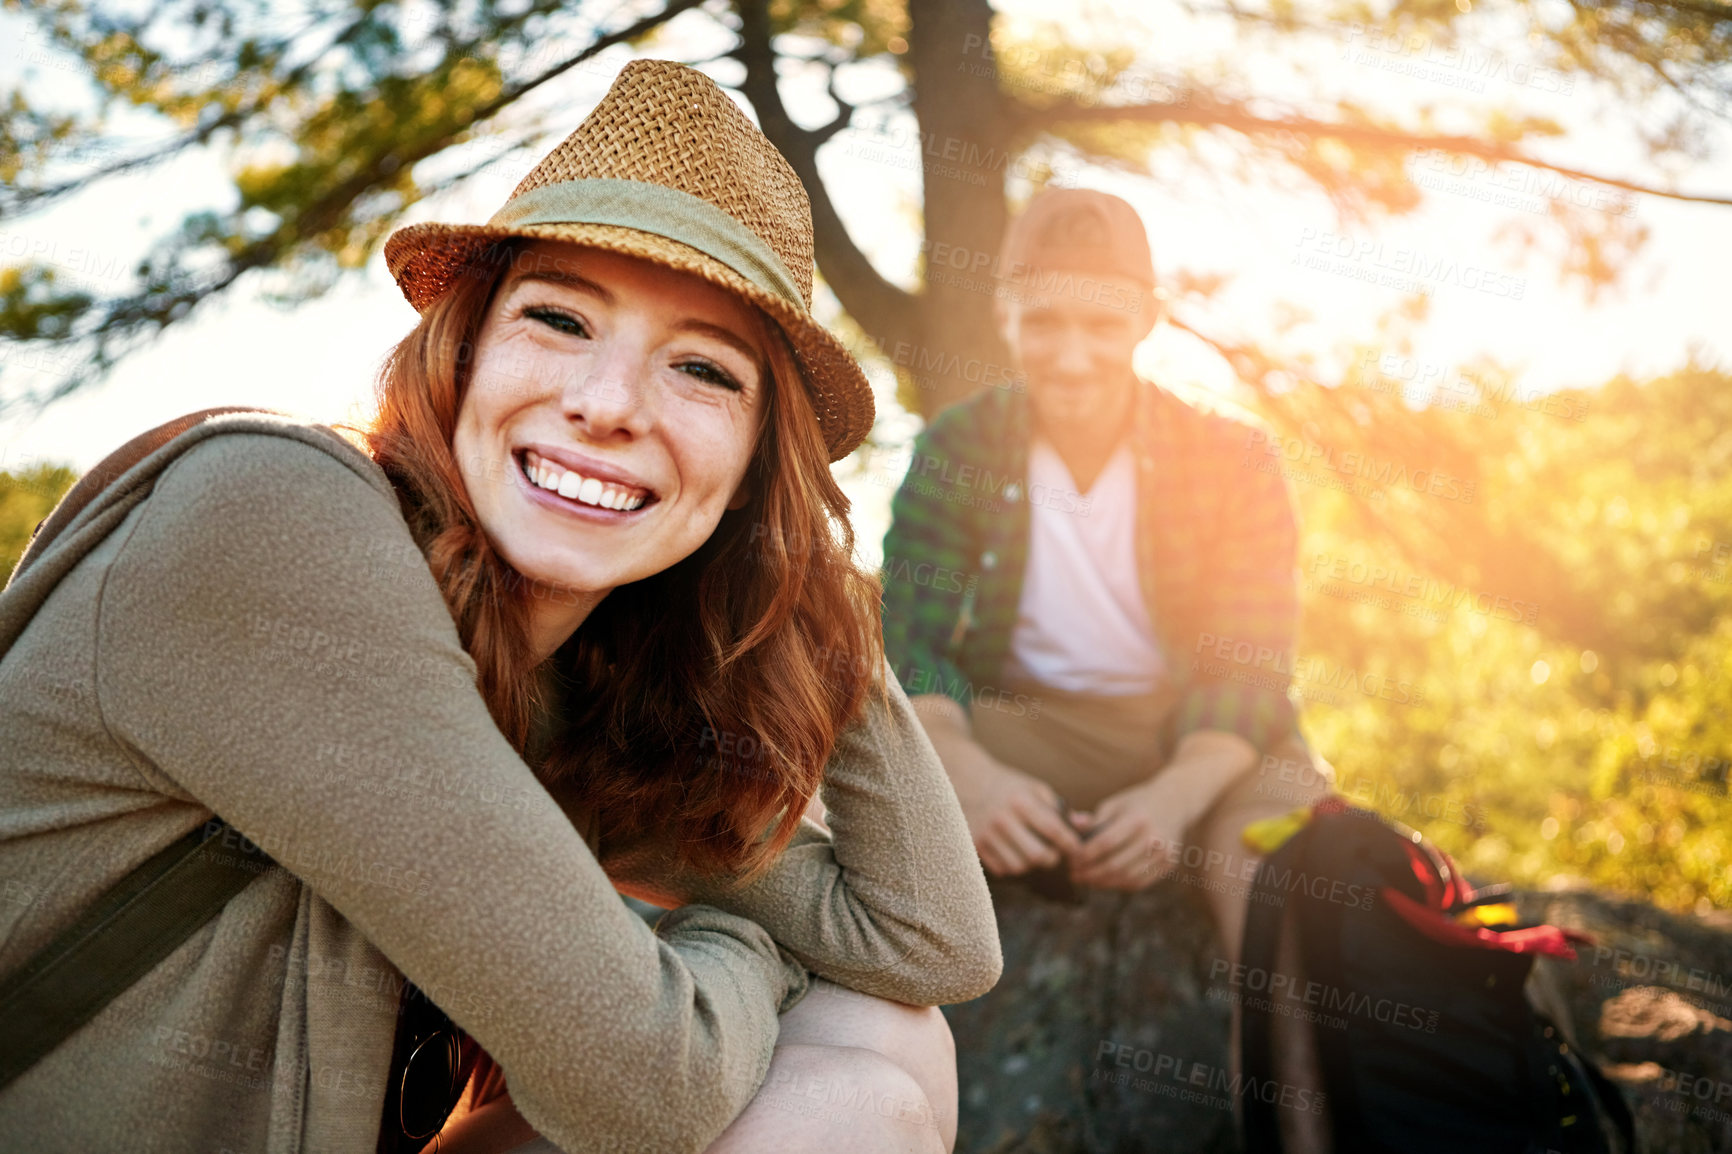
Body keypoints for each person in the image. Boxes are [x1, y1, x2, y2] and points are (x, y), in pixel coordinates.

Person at [0, 60, 999, 1154]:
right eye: (561, 319)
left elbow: (927, 941)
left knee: (882, 1032)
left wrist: (811, 589)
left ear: (758, 461)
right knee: (843, 1092)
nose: (606, 403)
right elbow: (646, 1090)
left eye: (704, 372)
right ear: (462, 353)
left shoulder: (564, 699)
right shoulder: (267, 518)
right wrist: (737, 949)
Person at [879, 188, 1331, 1146]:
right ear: (1005, 314)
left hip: (1207, 735)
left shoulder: (1233, 456)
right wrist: (969, 774)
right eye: (1043, 321)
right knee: (862, 802)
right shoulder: (957, 447)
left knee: (1279, 873)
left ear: (1147, 318)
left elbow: (1249, 663)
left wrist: (1173, 800)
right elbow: (909, 643)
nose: (1072, 354)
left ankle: (1301, 1133)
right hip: (1026, 720)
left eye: (1101, 322)